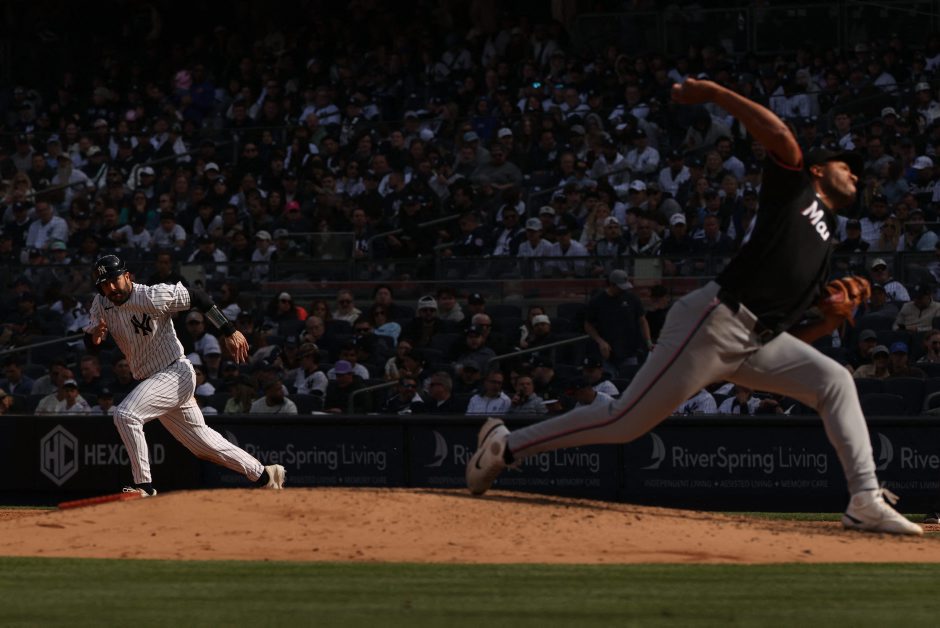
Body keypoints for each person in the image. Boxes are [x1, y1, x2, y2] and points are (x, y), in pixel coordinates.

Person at [466, 77, 922, 536]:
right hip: (714, 322)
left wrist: (828, 321)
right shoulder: (796, 192)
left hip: (754, 342)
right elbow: (782, 137)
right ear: (819, 170)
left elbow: (790, 334)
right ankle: (507, 445)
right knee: (624, 421)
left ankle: (864, 499)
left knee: (834, 380)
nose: (855, 174)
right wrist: (715, 94)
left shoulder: (825, 245)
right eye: (846, 166)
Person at [83, 254, 285, 496]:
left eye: (114, 280)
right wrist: (94, 337)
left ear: (127, 276)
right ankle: (265, 475)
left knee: (126, 415)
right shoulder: (101, 302)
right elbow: (92, 344)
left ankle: (144, 487)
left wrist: (229, 330)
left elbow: (198, 297)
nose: (111, 288)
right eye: (105, 284)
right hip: (152, 381)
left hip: (174, 371)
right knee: (202, 445)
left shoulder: (151, 295)